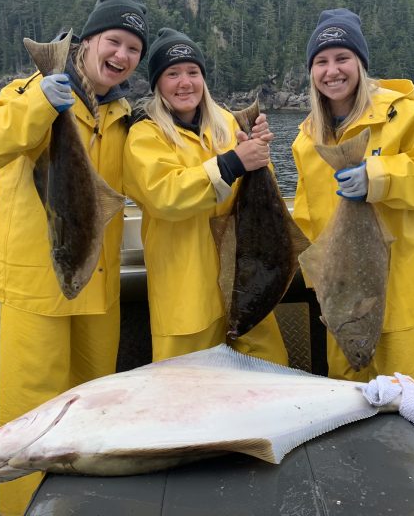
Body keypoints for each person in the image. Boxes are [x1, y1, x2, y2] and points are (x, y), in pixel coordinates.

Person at [0, 0, 148, 515]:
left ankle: (83, 506)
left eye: (133, 48)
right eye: (114, 40)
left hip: (95, 285)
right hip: (37, 289)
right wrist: (41, 100)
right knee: (32, 415)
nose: (122, 56)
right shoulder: (30, 89)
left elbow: (152, 183)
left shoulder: (126, 121)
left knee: (90, 412)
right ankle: (21, 509)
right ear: (85, 43)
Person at [291, 8, 414, 476]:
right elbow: (307, 218)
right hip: (344, 298)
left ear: (360, 63)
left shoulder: (403, 114)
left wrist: (378, 176)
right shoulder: (308, 139)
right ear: (311, 72)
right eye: (321, 61)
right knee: (349, 400)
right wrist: (320, 287)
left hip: (407, 295)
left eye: (342, 57)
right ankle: (362, 489)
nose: (332, 71)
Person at [123, 28, 289, 365]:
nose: (185, 82)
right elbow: (166, 196)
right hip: (186, 297)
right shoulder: (145, 134)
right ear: (157, 83)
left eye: (193, 72)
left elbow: (258, 200)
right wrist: (233, 163)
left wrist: (257, 157)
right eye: (173, 74)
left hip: (245, 282)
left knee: (271, 377)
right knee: (189, 397)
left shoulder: (226, 122)